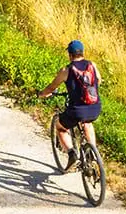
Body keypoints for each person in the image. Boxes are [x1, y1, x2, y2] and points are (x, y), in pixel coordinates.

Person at [39, 39, 101, 167]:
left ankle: (72, 154)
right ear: (82, 53)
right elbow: (98, 81)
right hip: (95, 107)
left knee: (60, 127)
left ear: (70, 55)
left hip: (77, 110)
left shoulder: (66, 70)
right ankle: (92, 153)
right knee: (87, 123)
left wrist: (42, 94)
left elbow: (51, 87)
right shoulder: (92, 65)